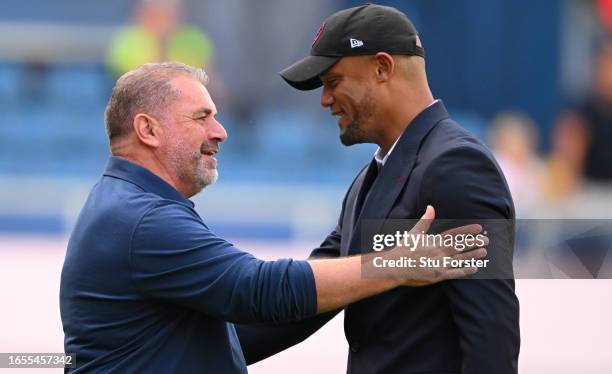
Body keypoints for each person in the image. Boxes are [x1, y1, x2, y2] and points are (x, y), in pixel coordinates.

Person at [59, 62, 487, 373]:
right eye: (202, 117)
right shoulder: (143, 220)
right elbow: (259, 290)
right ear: (147, 130)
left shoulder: (129, 206)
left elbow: (226, 331)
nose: (220, 131)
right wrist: (396, 264)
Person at [236, 4, 520, 374]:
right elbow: (308, 300)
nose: (324, 100)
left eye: (333, 82)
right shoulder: (370, 178)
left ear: (382, 68)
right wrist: (182, 351)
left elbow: (491, 339)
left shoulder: (458, 167)